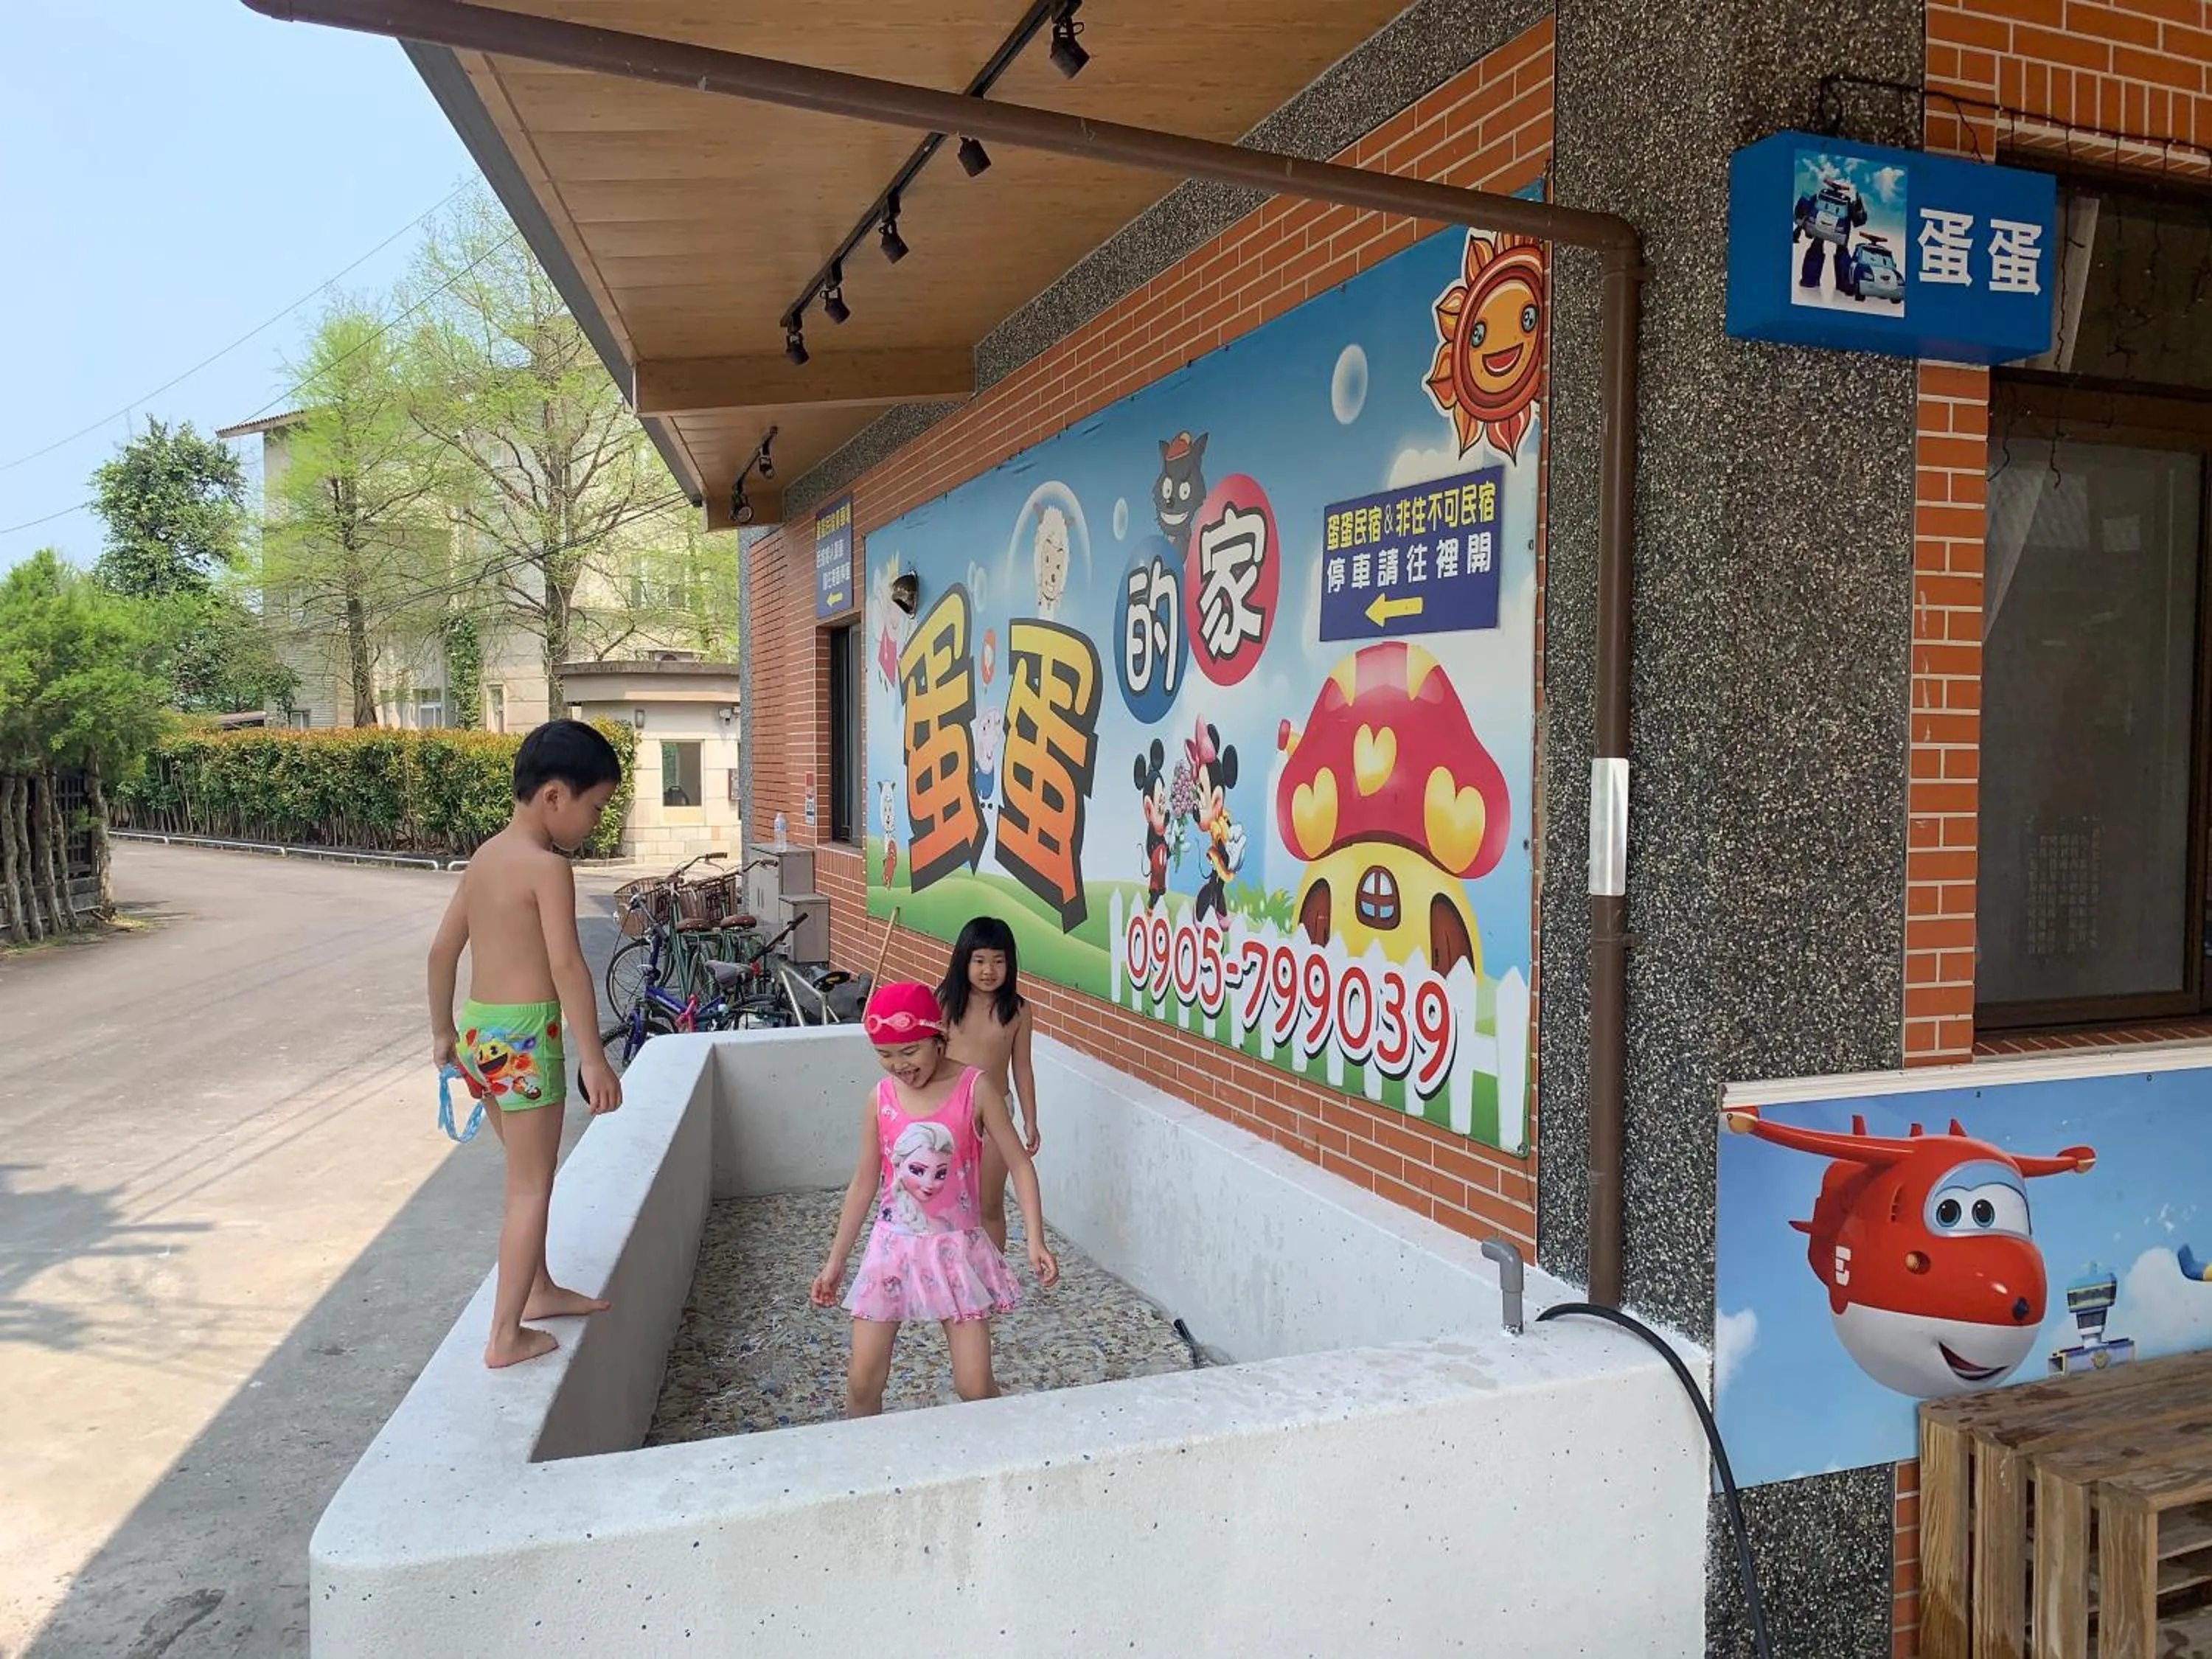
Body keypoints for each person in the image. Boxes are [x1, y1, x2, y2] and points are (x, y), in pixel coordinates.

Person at [427, 719, 625, 1369]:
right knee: (530, 1188)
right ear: (554, 796)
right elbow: (567, 966)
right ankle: (505, 1335)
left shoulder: (485, 857)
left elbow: (442, 950)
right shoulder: (548, 869)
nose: (596, 822)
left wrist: (442, 1032)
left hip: (480, 1034)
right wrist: (593, 1058)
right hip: (525, 1038)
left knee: (523, 1174)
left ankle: (539, 1288)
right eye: (596, 807)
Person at [810, 981, 1058, 1416]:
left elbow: (1020, 1165)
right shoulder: (880, 1099)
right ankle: (861, 1453)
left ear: (938, 1035)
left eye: (910, 1052)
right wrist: (835, 1262)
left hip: (956, 1251)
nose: (899, 1066)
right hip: (891, 1250)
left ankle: (1005, 1447)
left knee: (974, 1386)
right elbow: (864, 1184)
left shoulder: (976, 1088)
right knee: (863, 1379)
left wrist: (1035, 1240)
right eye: (885, 1055)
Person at [936, 916, 1037, 1255]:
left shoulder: (1018, 1010)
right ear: (963, 961)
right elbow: (930, 1057)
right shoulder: (946, 1003)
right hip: (951, 1112)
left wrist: (1030, 1120)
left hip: (997, 1113)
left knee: (989, 1202)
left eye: (998, 961)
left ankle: (992, 1273)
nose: (988, 970)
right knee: (948, 1197)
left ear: (1010, 965)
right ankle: (951, 1265)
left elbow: (1022, 1067)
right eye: (979, 961)